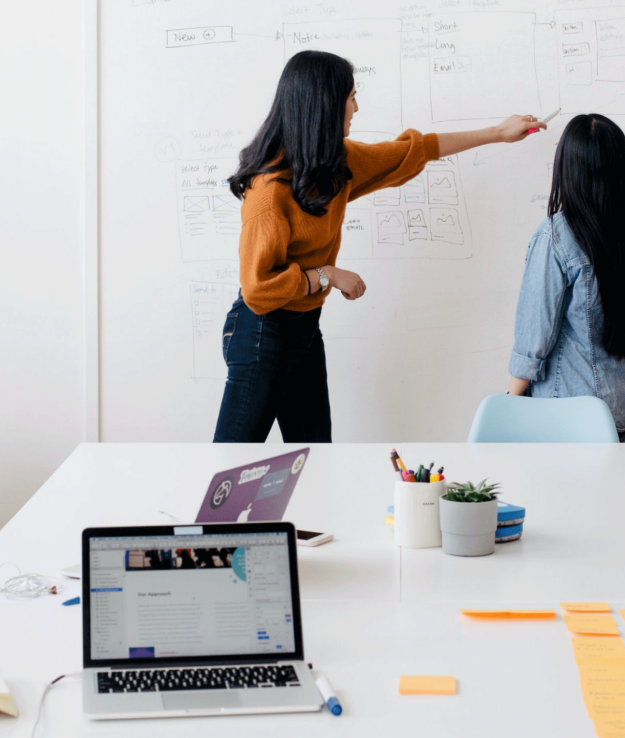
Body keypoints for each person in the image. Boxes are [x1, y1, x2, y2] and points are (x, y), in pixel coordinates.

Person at [215, 50, 547, 443]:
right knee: (233, 465)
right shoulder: (268, 194)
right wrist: (326, 275)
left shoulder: (334, 165)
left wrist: (498, 132)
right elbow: (257, 290)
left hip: (303, 329)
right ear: (325, 106)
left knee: (316, 459)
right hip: (260, 333)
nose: (356, 107)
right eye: (351, 97)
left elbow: (414, 150)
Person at [507, 114, 625, 443]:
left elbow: (535, 336)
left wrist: (510, 401)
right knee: (620, 495)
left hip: (569, 413)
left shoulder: (556, 235)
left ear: (569, 167)